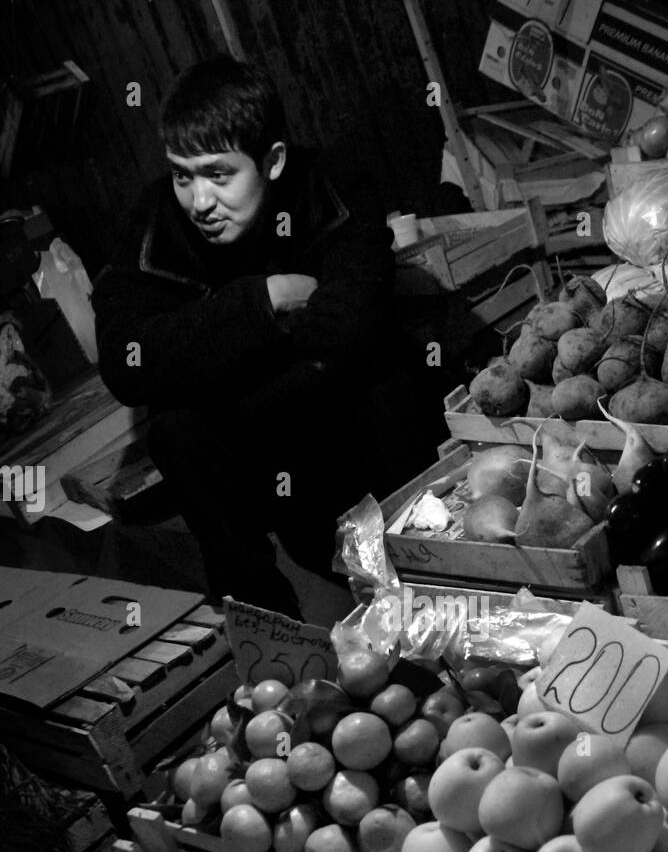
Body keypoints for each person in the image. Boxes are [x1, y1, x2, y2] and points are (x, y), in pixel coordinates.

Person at [92, 56, 444, 616]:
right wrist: (267, 298)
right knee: (177, 431)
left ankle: (437, 566)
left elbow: (351, 329)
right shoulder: (154, 227)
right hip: (252, 457)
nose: (199, 202)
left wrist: (209, 359)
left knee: (386, 378)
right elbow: (127, 365)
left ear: (272, 160)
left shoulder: (333, 187)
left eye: (218, 174)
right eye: (183, 175)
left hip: (345, 433)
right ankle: (270, 637)